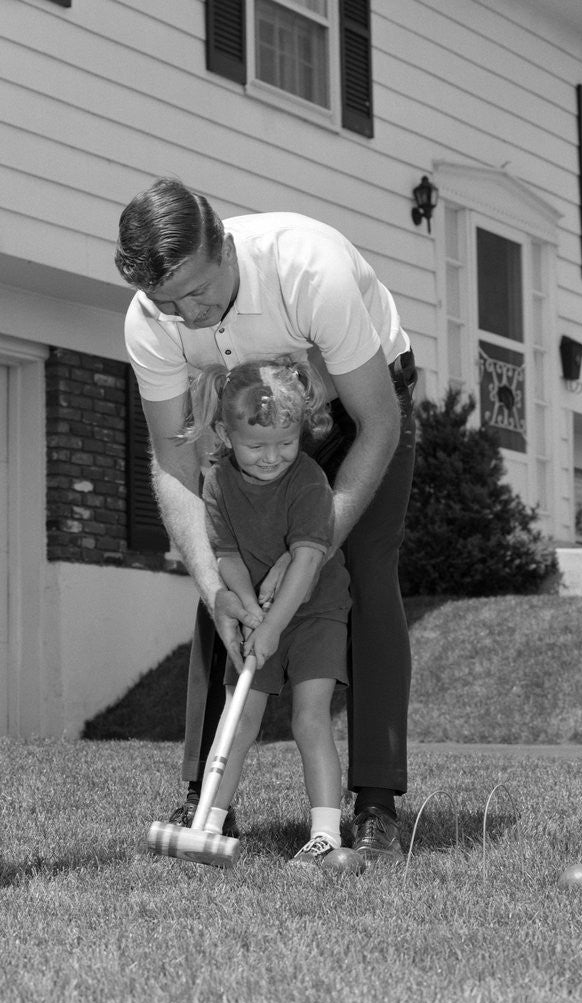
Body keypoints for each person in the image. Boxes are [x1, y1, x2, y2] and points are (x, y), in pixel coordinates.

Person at [115, 178, 416, 863]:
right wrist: (215, 583)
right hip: (248, 427)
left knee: (362, 574)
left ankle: (374, 804)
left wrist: (308, 558)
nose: (186, 314)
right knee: (223, 574)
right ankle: (208, 799)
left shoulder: (308, 269)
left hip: (356, 414)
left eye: (198, 292)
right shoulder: (149, 322)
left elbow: (379, 425)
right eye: (167, 302)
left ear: (224, 245)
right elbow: (174, 464)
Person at [184, 356, 350, 864]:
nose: (272, 457)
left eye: (286, 442)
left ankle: (326, 833)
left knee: (309, 718)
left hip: (315, 609)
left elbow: (307, 558)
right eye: (257, 445)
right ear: (225, 435)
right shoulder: (217, 483)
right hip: (260, 613)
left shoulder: (307, 479)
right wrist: (252, 613)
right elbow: (227, 554)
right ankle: (208, 824)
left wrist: (275, 625)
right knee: (239, 720)